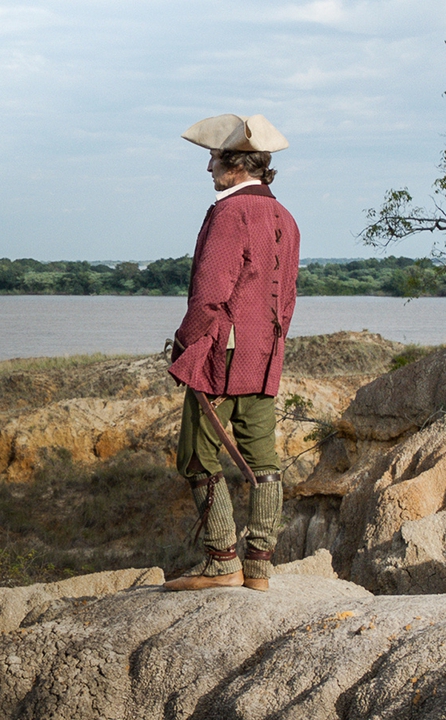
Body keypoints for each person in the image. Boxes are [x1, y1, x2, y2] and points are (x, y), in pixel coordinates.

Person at [163, 114, 300, 593]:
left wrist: (185, 346)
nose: (207, 167)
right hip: (265, 354)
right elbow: (286, 300)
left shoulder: (229, 214)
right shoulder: (286, 217)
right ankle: (259, 568)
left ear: (237, 164)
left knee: (198, 456)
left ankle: (223, 561)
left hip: (221, 353)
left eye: (214, 157)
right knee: (263, 457)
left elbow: (210, 295)